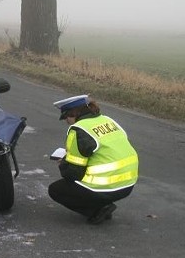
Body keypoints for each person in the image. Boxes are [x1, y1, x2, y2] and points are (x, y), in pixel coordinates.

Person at [48, 94, 139, 224]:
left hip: (104, 188)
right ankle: (103, 203)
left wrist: (63, 163)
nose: (66, 121)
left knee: (56, 190)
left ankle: (97, 210)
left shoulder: (78, 130)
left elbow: (74, 174)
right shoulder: (108, 120)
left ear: (73, 114)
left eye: (66, 117)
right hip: (128, 185)